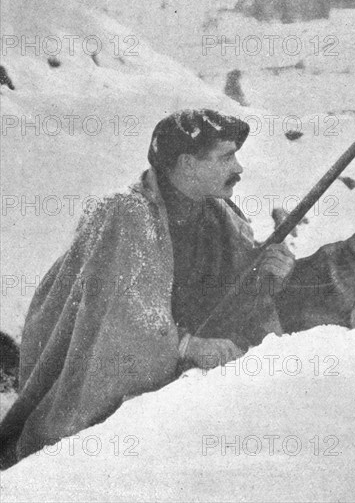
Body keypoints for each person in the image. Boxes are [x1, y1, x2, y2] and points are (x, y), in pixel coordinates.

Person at [0, 109, 295, 467]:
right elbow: (120, 319)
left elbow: (224, 295)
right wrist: (187, 345)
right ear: (187, 164)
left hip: (174, 382)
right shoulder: (125, 214)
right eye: (226, 157)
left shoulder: (221, 216)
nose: (239, 168)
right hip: (99, 383)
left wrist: (268, 274)